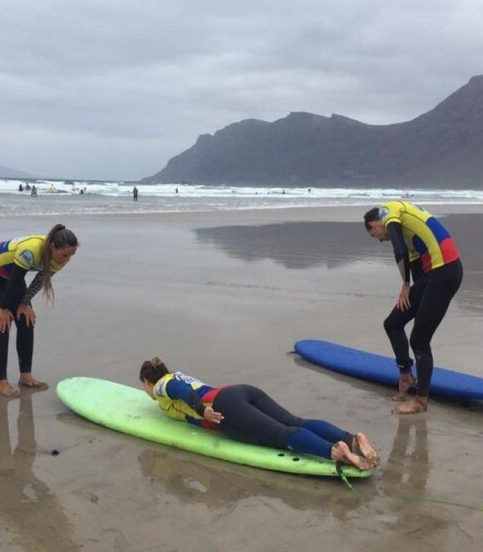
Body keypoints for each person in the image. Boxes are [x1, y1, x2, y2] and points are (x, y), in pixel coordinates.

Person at [139, 357, 379, 471]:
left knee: (280, 435)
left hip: (223, 409)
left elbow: (179, 391)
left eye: (143, 386)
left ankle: (334, 451)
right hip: (239, 391)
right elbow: (184, 388)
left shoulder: (162, 385)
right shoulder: (177, 374)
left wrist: (203, 411)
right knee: (294, 421)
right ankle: (351, 439)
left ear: (147, 381)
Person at [364, 202, 463, 414]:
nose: (381, 240)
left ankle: (421, 401)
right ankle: (406, 374)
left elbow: (397, 248)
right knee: (393, 323)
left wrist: (406, 286)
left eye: (376, 235)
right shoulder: (408, 233)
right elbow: (415, 266)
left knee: (419, 338)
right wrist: (418, 300)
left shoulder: (387, 211)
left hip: (446, 270)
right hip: (433, 276)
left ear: (374, 224)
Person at [0, 224, 79, 397]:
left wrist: (25, 303)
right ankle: (2, 382)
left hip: (11, 277)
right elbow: (15, 280)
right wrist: (4, 308)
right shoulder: (31, 250)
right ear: (52, 246)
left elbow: (38, 282)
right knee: (2, 324)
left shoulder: (59, 259)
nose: (67, 259)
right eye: (65, 255)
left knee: (26, 320)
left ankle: (25, 376)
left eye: (71, 256)